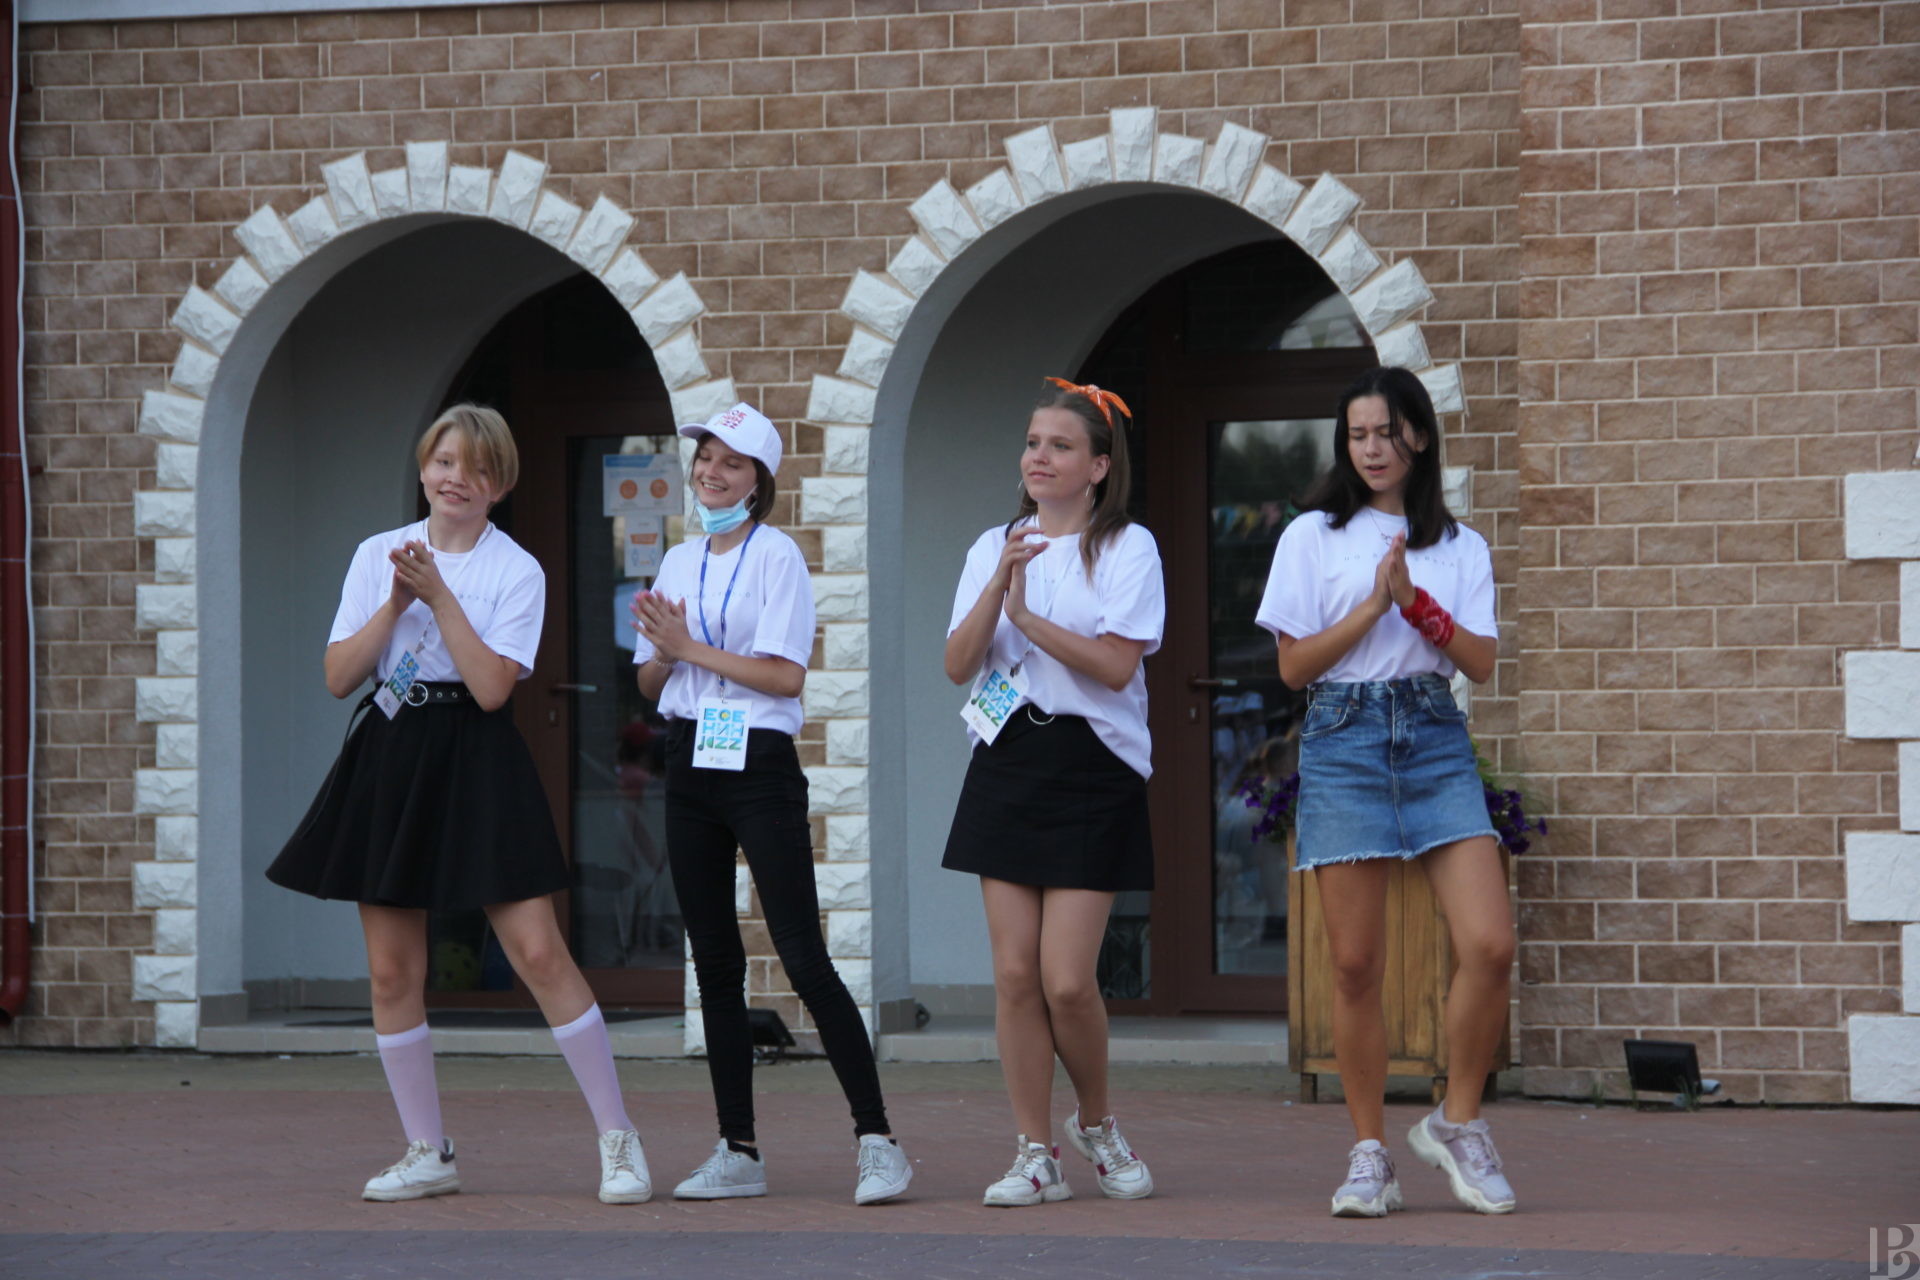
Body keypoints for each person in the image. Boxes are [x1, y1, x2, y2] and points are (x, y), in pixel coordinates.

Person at [268, 404, 650, 1206]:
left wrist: (439, 597)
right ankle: (427, 1150)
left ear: (499, 485)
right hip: (392, 750)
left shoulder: (517, 570)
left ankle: (619, 1138)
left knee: (538, 952)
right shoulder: (376, 554)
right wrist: (395, 604)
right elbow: (339, 677)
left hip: (478, 753)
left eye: (477, 469)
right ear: (423, 468)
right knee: (390, 970)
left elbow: (490, 688)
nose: (457, 480)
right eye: (445, 462)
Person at [630, 402, 912, 1206]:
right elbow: (650, 683)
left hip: (757, 762)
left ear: (758, 480)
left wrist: (688, 647)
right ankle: (738, 1149)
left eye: (731, 462)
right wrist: (662, 652)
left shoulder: (777, 554)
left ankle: (879, 1142)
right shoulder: (678, 560)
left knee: (802, 954)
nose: (711, 472)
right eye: (704, 458)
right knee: (715, 963)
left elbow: (786, 676)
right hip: (689, 759)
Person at [1256, 366, 1516, 1217]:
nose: (1371, 449)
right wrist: (1373, 607)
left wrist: (1416, 605)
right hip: (1343, 738)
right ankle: (1370, 1153)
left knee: (1490, 944)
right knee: (1355, 964)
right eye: (1357, 435)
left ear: (1420, 436)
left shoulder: (1460, 545)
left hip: (1433, 736)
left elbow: (1479, 661)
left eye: (1386, 432)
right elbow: (1293, 666)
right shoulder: (1312, 536)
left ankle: (1457, 1122)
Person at [940, 377, 1165, 1207]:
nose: (1039, 457)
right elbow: (958, 665)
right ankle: (1034, 1151)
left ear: (1098, 466)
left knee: (1067, 979)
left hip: (1093, 762)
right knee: (1013, 974)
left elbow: (1116, 665)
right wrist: (1000, 584)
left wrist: (1031, 621)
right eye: (1033, 443)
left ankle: (1097, 1122)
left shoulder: (1128, 547)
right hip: (1007, 757)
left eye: (1060, 446)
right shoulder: (992, 545)